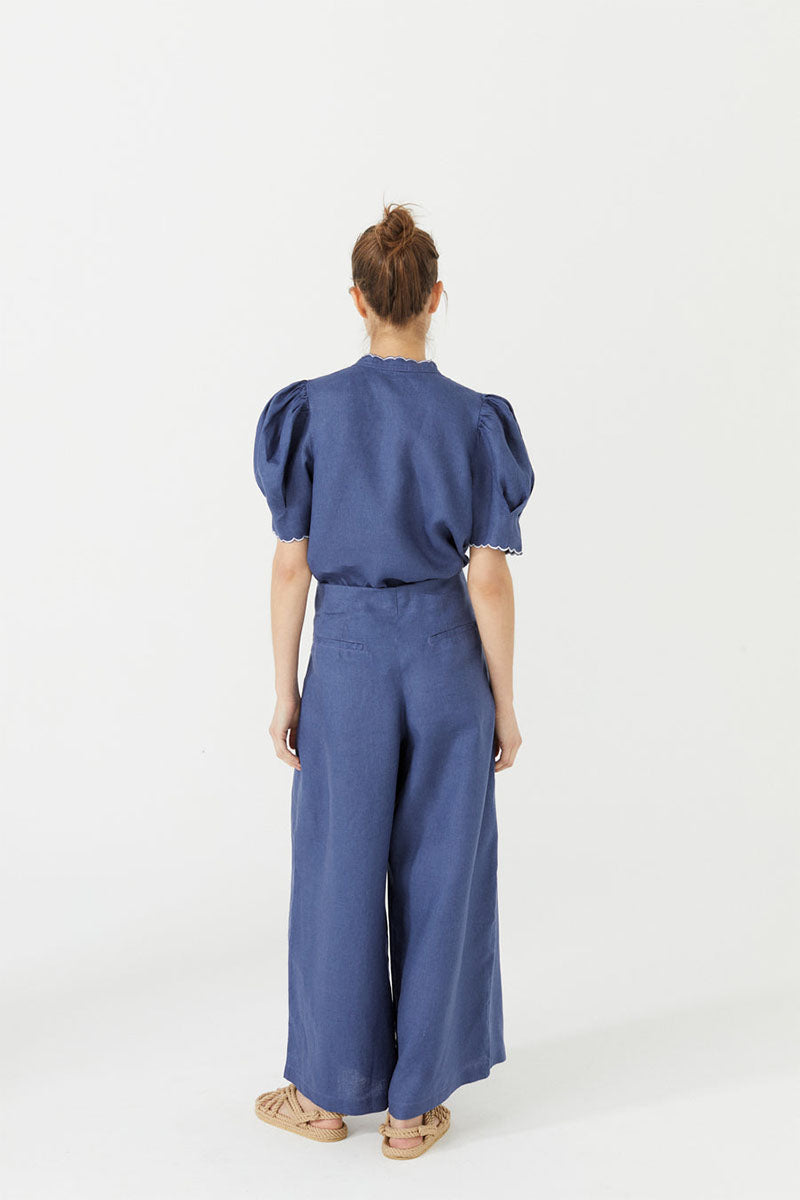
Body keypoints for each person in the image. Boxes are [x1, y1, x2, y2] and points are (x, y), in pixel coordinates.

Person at [251, 203, 535, 1160]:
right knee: (444, 867)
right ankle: (412, 1113)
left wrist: (286, 689)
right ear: (435, 299)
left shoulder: (311, 412)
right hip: (446, 653)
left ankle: (326, 1098)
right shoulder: (476, 420)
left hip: (351, 657)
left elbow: (292, 565)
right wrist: (503, 702)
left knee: (337, 868)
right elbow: (487, 577)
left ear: (358, 300)